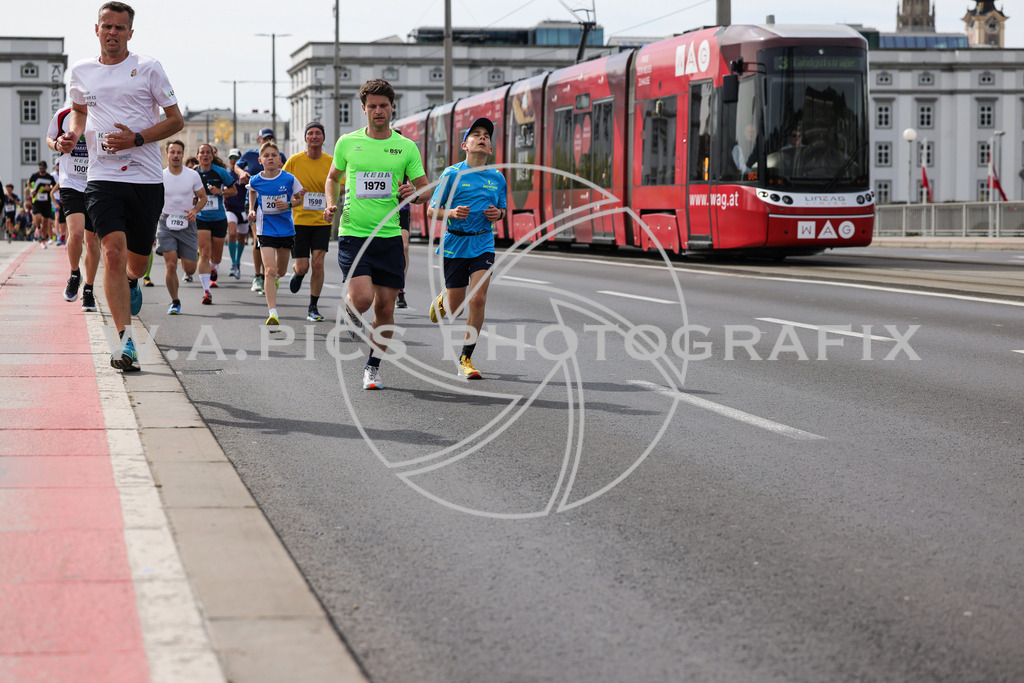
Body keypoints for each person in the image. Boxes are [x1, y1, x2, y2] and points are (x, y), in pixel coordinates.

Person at [61, 1, 184, 371]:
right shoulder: (81, 71)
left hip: (145, 178)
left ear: (130, 33)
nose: (112, 32)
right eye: (106, 26)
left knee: (138, 260)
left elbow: (176, 120)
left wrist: (137, 139)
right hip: (101, 178)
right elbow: (80, 110)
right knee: (111, 252)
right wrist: (74, 134)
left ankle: (133, 281)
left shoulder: (148, 68)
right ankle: (126, 344)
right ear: (95, 29)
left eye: (119, 27)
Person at [324, 78, 428, 390]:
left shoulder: (406, 147)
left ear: (392, 107)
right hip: (355, 234)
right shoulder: (348, 143)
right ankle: (350, 309)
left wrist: (414, 192)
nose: (378, 111)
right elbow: (332, 178)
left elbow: (424, 191)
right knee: (363, 298)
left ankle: (373, 367)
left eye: (383, 106)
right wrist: (331, 203)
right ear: (363, 109)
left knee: (385, 308)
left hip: (390, 238)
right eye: (372, 106)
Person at [426, 117, 506, 379]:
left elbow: (503, 208)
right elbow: (431, 210)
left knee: (479, 299)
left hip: (483, 242)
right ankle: (444, 299)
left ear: (490, 149)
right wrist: (450, 213)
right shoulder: (451, 174)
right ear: (465, 145)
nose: (482, 138)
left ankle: (466, 358)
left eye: (486, 136)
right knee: (456, 308)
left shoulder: (497, 178)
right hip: (455, 243)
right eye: (476, 135)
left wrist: (499, 214)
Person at [47, 105, 101, 310]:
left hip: (96, 183)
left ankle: (88, 289)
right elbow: (49, 139)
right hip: (70, 182)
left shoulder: (103, 112)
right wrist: (57, 145)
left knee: (92, 241)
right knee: (76, 234)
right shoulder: (63, 114)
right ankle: (74, 274)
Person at [246, 141, 304, 326]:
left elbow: (299, 198)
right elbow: (252, 192)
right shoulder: (256, 179)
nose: (270, 158)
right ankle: (273, 313)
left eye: (273, 155)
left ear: (279, 159)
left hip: (286, 229)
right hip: (266, 228)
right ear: (260, 160)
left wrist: (288, 204)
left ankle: (277, 279)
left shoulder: (288, 178)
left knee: (280, 270)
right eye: (267, 155)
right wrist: (252, 209)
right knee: (269, 270)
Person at [284, 121, 333, 322]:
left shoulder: (332, 161)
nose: (314, 136)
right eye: (310, 133)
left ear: (323, 138)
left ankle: (313, 306)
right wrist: (293, 195)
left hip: (322, 221)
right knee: (303, 266)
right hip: (299, 221)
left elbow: (341, 186)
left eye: (318, 133)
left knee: (318, 263)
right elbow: (282, 183)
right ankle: (298, 273)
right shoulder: (294, 161)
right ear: (305, 138)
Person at [157, 140, 206, 315]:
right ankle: (175, 301)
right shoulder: (160, 175)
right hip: (166, 222)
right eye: (172, 152)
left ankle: (182, 253)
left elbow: (203, 198)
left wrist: (195, 210)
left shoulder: (192, 175)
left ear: (183, 155)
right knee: (170, 265)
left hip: (187, 224)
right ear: (167, 154)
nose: (176, 155)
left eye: (179, 152)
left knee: (190, 268)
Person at [235, 128, 285, 294]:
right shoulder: (250, 155)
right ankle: (258, 275)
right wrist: (242, 173)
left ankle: (270, 274)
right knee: (259, 239)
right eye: (264, 139)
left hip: (275, 203)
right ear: (259, 139)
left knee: (274, 241)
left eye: (270, 138)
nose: (267, 141)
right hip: (255, 202)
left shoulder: (279, 155)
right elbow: (236, 165)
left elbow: (285, 173)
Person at [193, 143, 235, 305]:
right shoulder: (193, 173)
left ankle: (213, 266)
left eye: (207, 152)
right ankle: (206, 291)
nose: (204, 155)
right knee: (203, 252)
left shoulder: (220, 172)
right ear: (198, 156)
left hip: (218, 218)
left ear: (212, 156)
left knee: (216, 257)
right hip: (201, 217)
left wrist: (221, 191)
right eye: (201, 152)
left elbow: (234, 190)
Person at [224, 148, 249, 279]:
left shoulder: (246, 174)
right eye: (231, 158)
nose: (233, 160)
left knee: (242, 239)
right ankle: (233, 263)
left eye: (236, 158)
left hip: (243, 210)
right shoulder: (226, 174)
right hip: (230, 209)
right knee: (232, 234)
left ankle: (237, 261)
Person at [27, 161, 56, 247]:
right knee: (38, 218)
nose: (41, 170)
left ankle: (43, 239)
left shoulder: (49, 177)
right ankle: (37, 227)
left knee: (46, 221)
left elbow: (54, 187)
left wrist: (49, 189)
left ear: (46, 168)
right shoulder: (35, 176)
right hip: (36, 200)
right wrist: (31, 189)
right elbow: (28, 182)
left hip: (46, 202)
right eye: (40, 168)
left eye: (43, 168)